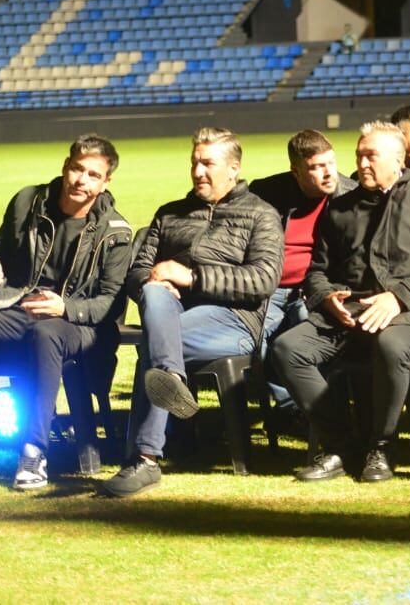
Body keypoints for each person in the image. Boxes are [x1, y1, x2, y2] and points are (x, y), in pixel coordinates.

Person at [269, 121, 410, 483]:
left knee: (390, 345)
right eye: (359, 156)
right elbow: (317, 271)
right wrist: (326, 297)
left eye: (371, 156)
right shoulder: (340, 208)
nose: (361, 164)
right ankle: (343, 445)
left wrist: (399, 299)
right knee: (286, 348)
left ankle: (381, 446)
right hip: (346, 317)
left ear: (397, 159)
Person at [102, 128, 282, 498]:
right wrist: (154, 280)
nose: (198, 171)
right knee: (153, 294)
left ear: (233, 169)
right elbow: (136, 271)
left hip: (233, 319)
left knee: (154, 346)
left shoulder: (261, 215)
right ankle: (171, 376)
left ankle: (145, 458)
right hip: (170, 311)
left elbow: (262, 280)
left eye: (207, 163)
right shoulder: (170, 214)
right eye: (194, 162)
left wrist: (192, 278)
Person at [0, 135, 131, 491]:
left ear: (105, 182)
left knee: (47, 333)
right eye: (76, 169)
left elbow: (110, 302)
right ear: (65, 166)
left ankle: (34, 451)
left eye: (93, 175)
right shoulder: (28, 201)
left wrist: (64, 308)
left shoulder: (116, 232)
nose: (81, 180)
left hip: (77, 324)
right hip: (18, 306)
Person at [249, 130, 357, 410]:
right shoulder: (265, 193)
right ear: (295, 171)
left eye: (331, 163)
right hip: (269, 290)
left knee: (298, 339)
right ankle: (291, 408)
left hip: (318, 290)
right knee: (256, 342)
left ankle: (304, 412)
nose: (328, 173)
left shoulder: (351, 196)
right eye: (316, 167)